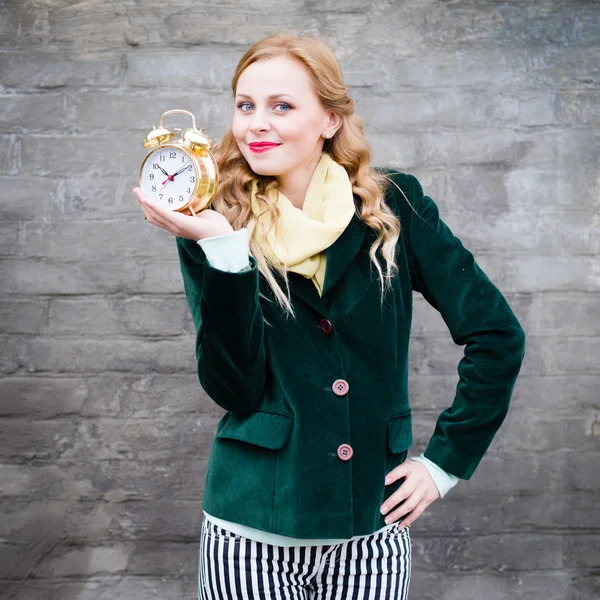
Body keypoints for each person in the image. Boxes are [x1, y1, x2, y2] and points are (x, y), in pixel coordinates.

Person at [133, 32, 526, 600]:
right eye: (246, 105)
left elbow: (497, 336)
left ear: (331, 119)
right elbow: (234, 388)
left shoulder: (395, 205)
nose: (255, 124)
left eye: (282, 106)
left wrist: (443, 466)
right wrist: (224, 252)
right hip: (250, 529)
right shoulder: (211, 217)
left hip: (373, 528)